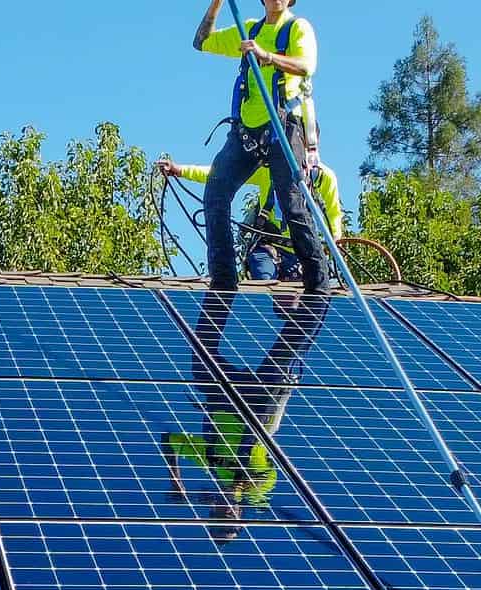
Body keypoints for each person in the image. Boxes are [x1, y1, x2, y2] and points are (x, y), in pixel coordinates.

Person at [188, 0, 329, 294]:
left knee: (291, 203)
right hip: (247, 132)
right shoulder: (249, 29)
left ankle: (318, 284)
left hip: (284, 124)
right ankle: (224, 279)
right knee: (215, 192)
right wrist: (217, 3)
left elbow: (306, 66)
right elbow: (200, 42)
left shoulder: (296, 28)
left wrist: (268, 56)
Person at [162, 293, 330, 536]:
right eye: (231, 521)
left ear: (212, 513)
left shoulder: (210, 462)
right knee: (294, 339)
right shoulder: (256, 495)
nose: (227, 515)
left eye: (220, 518)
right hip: (257, 404)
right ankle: (318, 290)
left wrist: (176, 482)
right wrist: (236, 489)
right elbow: (266, 477)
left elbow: (169, 441)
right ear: (240, 516)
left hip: (223, 396)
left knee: (200, 357)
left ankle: (223, 282)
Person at [158, 156, 344, 282]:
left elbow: (333, 214)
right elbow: (220, 174)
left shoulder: (324, 178)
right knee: (263, 288)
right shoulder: (267, 171)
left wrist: (336, 241)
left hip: (303, 252)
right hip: (269, 248)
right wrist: (179, 170)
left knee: (307, 296)